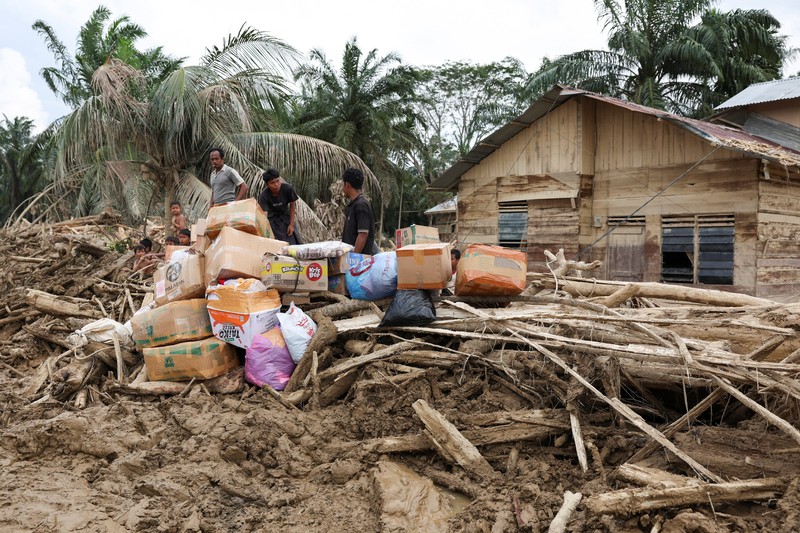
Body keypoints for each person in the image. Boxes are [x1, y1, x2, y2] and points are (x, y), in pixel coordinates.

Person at [257, 168, 302, 245]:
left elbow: (292, 204)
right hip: (272, 220)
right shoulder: (263, 196)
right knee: (277, 242)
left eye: (278, 181)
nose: (276, 185)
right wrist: (265, 231)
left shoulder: (287, 189)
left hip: (285, 217)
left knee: (293, 238)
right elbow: (264, 215)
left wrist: (291, 224)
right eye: (273, 183)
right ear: (267, 184)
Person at [341, 167, 378, 254]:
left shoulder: (361, 205)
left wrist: (354, 258)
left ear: (347, 185)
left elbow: (363, 234)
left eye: (343, 185)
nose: (342, 189)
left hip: (360, 262)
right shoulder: (353, 205)